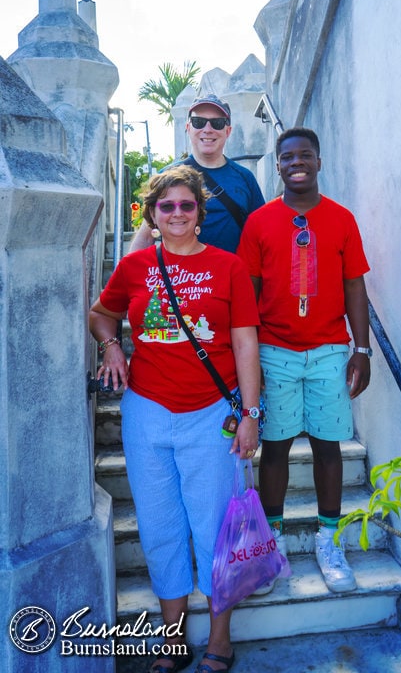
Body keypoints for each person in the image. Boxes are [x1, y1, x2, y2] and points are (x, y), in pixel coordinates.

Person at [89, 165, 261, 673]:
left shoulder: (227, 268)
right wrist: (111, 347)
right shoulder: (136, 266)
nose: (178, 213)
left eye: (187, 205)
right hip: (146, 412)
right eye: (168, 206)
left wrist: (250, 414)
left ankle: (221, 640)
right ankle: (171, 640)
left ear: (199, 213)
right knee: (161, 526)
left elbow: (245, 342)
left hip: (211, 413)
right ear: (152, 214)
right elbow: (102, 312)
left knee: (213, 527)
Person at [237, 127, 371, 595]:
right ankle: (270, 542)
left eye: (306, 155)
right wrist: (245, 358)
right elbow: (248, 293)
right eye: (288, 156)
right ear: (277, 165)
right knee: (274, 448)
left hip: (330, 350)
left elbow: (355, 284)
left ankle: (328, 540)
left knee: (328, 445)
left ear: (318, 161)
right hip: (274, 351)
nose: (298, 162)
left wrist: (362, 348)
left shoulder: (341, 218)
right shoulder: (259, 222)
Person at [130, 93, 265, 254]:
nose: (208, 130)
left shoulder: (244, 178)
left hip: (230, 276)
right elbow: (146, 236)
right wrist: (127, 273)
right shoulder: (168, 175)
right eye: (199, 122)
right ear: (188, 128)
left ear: (228, 131)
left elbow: (261, 235)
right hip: (180, 276)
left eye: (217, 123)